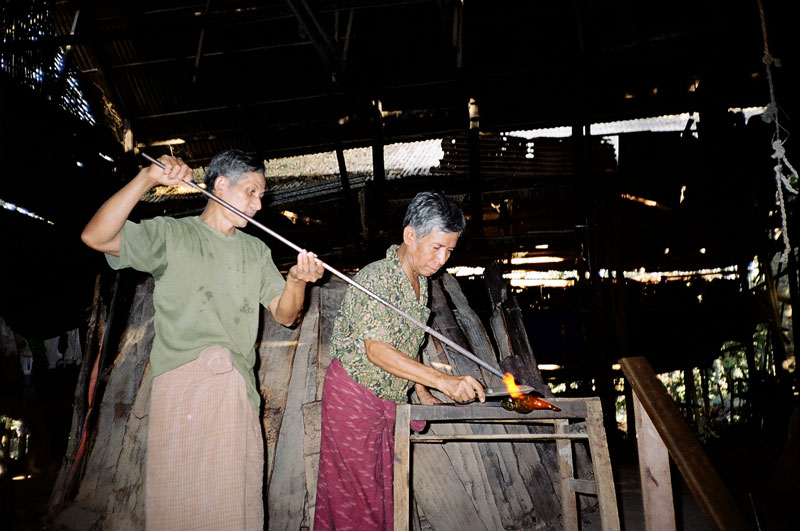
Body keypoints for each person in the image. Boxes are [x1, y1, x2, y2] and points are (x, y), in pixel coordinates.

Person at [81, 149, 324, 530]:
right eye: (251, 192)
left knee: (234, 509)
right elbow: (95, 236)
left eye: (261, 196)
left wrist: (296, 281)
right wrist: (147, 179)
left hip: (235, 393)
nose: (258, 205)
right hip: (181, 390)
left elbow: (286, 315)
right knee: (179, 506)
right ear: (220, 186)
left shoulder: (255, 251)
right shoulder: (172, 234)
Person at [314, 191, 485, 530]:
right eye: (437, 247)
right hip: (354, 396)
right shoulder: (378, 278)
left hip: (385, 397)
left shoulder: (420, 281)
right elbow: (378, 350)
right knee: (357, 497)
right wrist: (444, 381)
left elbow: (407, 342)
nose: (443, 259)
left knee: (380, 492)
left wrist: (420, 390)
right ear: (410, 236)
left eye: (450, 250)